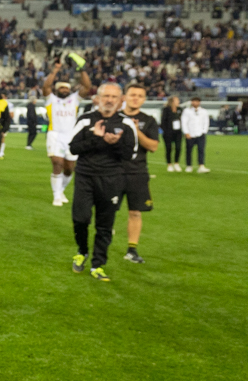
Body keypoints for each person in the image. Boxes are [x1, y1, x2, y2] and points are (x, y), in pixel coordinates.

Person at [69, 82, 138, 282]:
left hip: (111, 179)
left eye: (113, 97)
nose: (109, 100)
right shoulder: (85, 120)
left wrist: (114, 144)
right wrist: (96, 139)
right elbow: (73, 148)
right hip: (85, 177)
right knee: (80, 219)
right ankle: (82, 250)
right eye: (105, 96)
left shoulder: (126, 124)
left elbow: (130, 155)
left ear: (120, 100)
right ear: (97, 98)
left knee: (105, 225)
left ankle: (98, 265)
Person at [42, 59, 96, 206]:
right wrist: (55, 70)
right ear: (58, 89)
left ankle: (61, 190)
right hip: (55, 134)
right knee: (57, 163)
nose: (64, 90)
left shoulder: (74, 99)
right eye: (62, 88)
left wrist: (82, 69)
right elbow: (46, 86)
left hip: (71, 136)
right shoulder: (51, 100)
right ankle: (56, 196)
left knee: (69, 169)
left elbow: (87, 86)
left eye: (67, 88)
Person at [120, 83, 159, 264]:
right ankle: (100, 244)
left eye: (140, 96)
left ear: (144, 99)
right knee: (106, 210)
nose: (136, 98)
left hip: (137, 172)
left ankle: (132, 250)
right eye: (132, 94)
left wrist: (136, 131)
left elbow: (153, 146)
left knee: (135, 212)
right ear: (125, 97)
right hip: (113, 171)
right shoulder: (114, 117)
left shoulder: (149, 120)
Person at [181, 96, 211, 173]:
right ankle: (189, 166)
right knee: (189, 151)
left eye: (197, 101)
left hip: (200, 133)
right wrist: (186, 132)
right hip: (190, 133)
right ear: (191, 102)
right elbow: (184, 122)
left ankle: (201, 165)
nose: (195, 103)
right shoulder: (187, 111)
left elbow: (206, 122)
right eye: (194, 101)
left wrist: (204, 131)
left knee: (201, 150)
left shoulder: (204, 111)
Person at [160, 96, 183, 171]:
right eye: (177, 100)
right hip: (168, 133)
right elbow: (163, 121)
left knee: (178, 148)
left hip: (178, 132)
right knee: (169, 148)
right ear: (172, 101)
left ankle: (176, 163)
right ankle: (169, 164)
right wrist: (166, 131)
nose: (178, 101)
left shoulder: (180, 109)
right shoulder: (166, 110)